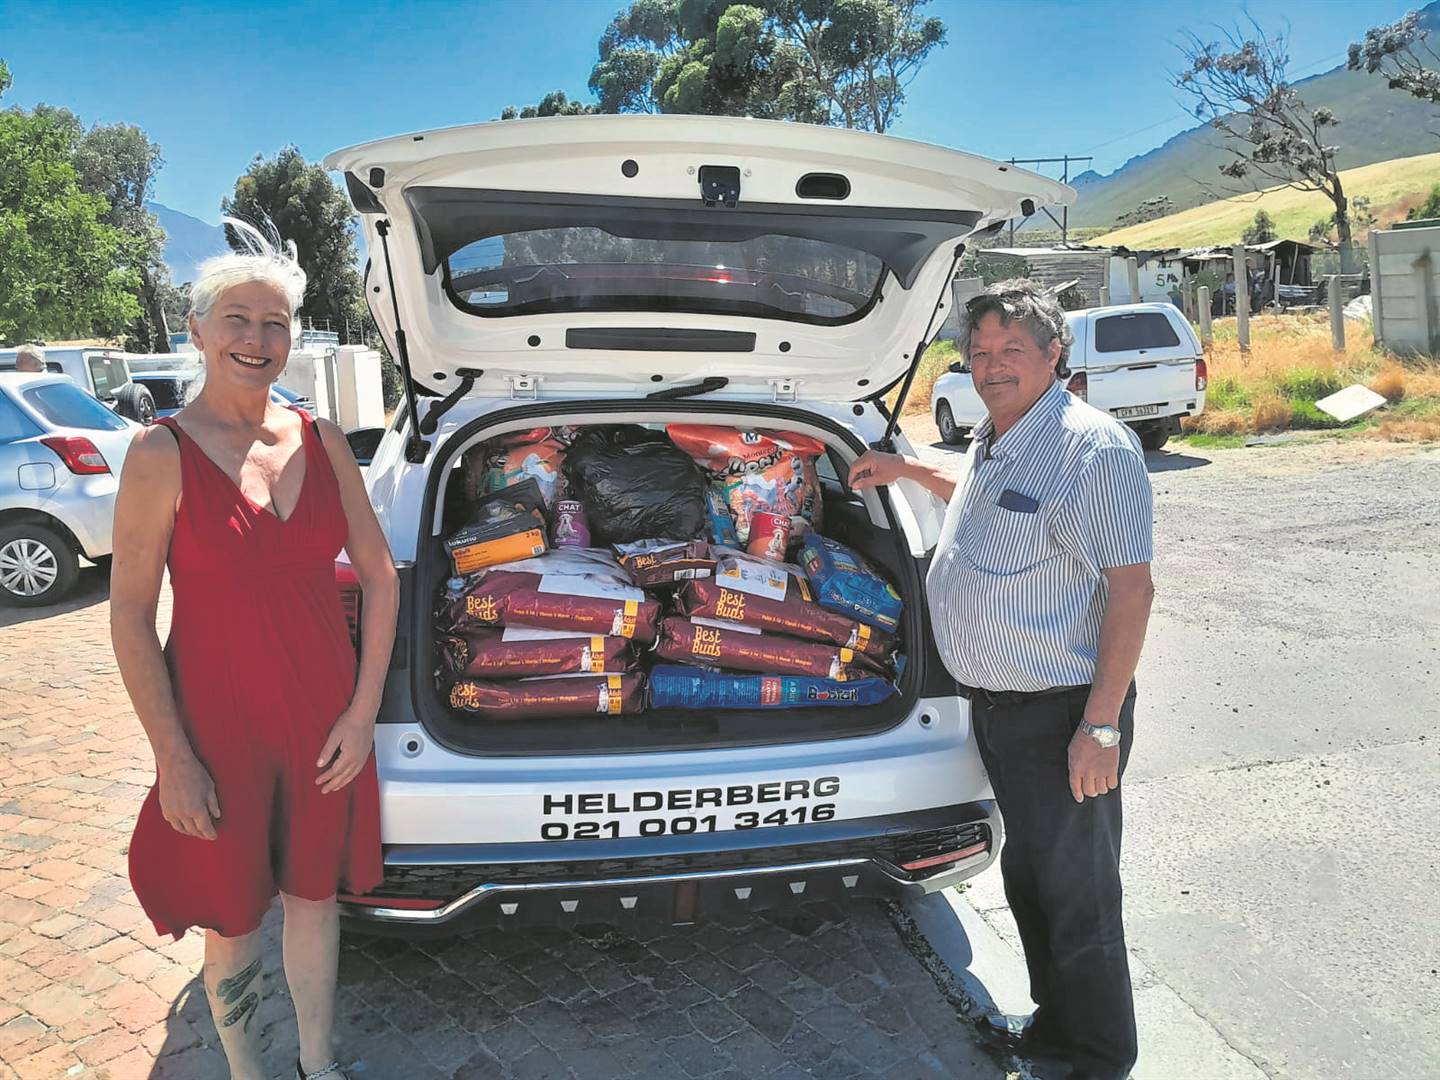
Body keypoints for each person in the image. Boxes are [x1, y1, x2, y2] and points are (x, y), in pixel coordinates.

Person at [110, 220, 399, 1080]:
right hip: (217, 734)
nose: (256, 338)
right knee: (232, 924)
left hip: (323, 726)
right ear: (197, 329)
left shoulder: (323, 440)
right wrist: (172, 757)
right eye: (237, 318)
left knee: (314, 902)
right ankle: (246, 1071)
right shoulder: (160, 453)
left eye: (275, 323)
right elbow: (130, 614)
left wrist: (362, 713)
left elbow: (381, 577)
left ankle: (317, 1063)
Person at [849, 279, 1153, 1080]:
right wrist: (907, 468)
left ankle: (1098, 1059)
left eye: (1012, 349)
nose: (991, 365)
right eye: (979, 351)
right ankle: (1055, 1033)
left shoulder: (1092, 449)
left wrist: (1101, 727)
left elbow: (1132, 591)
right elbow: (986, 502)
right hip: (1004, 713)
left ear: (1055, 353)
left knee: (1079, 896)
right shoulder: (997, 436)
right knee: (1031, 880)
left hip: (1066, 715)